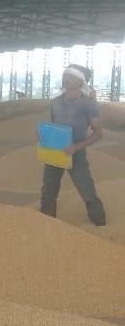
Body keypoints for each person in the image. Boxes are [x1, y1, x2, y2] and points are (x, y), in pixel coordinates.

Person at [40, 64, 105, 225]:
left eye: (71, 76)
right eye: (66, 75)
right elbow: (54, 126)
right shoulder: (55, 102)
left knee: (87, 192)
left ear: (80, 82)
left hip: (77, 153)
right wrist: (44, 137)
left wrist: (76, 147)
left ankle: (101, 226)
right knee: (48, 191)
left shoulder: (88, 104)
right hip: (55, 153)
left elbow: (98, 133)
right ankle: (44, 226)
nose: (66, 79)